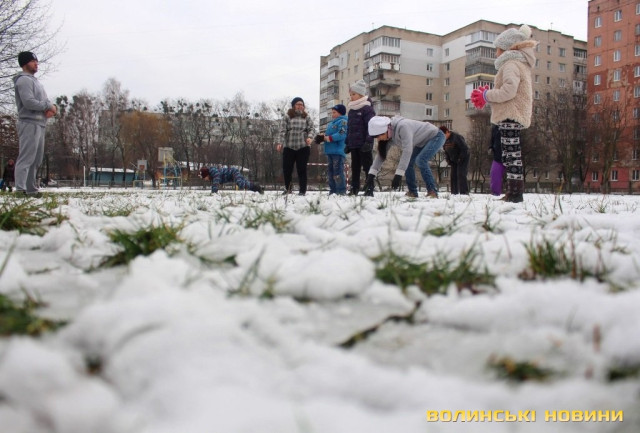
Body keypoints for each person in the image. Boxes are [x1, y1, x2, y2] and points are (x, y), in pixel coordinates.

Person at [471, 25, 537, 203]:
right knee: (510, 154)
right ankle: (514, 192)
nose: (496, 53)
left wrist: (487, 95)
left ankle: (515, 193)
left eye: (498, 48)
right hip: (513, 113)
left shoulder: (511, 64)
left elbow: (509, 91)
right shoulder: (518, 64)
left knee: (511, 154)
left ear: (508, 48)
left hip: (511, 113)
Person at [364, 116, 445, 198]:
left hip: (436, 136)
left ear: (385, 130)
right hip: (421, 142)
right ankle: (412, 192)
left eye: (378, 136)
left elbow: (407, 151)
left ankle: (432, 191)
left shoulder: (403, 126)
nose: (378, 139)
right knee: (408, 163)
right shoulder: (389, 135)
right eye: (376, 137)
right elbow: (380, 156)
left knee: (421, 160)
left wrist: (398, 175)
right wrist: (371, 175)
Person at [13, 51, 57, 197]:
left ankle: (31, 189)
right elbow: (28, 102)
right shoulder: (23, 80)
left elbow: (45, 101)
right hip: (29, 122)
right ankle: (20, 189)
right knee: (26, 157)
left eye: (36, 61)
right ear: (25, 63)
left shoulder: (36, 82)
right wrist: (48, 106)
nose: (36, 64)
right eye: (33, 61)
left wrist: (52, 109)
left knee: (36, 160)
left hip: (40, 123)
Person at [275, 97, 315, 196]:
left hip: (303, 147)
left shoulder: (307, 117)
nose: (300, 106)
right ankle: (288, 188)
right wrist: (280, 143)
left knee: (302, 169)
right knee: (287, 169)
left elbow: (311, 129)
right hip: (289, 146)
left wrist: (310, 137)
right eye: (298, 104)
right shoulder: (287, 117)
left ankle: (302, 190)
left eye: (302, 104)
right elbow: (282, 131)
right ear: (293, 106)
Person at [345, 80, 375, 195]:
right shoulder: (351, 110)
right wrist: (347, 143)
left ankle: (369, 188)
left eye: (354, 94)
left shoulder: (367, 109)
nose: (351, 97)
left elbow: (371, 126)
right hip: (354, 144)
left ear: (361, 94)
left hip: (364, 143)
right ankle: (354, 188)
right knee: (355, 167)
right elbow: (349, 128)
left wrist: (369, 141)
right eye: (350, 95)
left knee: (367, 167)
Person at [315, 104, 347, 195]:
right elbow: (328, 135)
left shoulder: (343, 122)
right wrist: (322, 137)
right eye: (332, 112)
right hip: (330, 151)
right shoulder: (331, 124)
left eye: (334, 112)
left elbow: (342, 133)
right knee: (330, 172)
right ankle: (333, 190)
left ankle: (341, 190)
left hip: (338, 151)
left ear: (340, 113)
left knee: (337, 171)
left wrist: (329, 138)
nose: (332, 114)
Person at [439, 126, 469, 195]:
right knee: (453, 175)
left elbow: (464, 148)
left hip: (463, 157)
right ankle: (454, 192)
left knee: (461, 174)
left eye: (443, 135)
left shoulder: (456, 137)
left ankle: (464, 192)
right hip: (453, 159)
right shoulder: (444, 140)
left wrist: (460, 158)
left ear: (447, 132)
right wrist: (448, 159)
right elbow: (446, 151)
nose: (443, 137)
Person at [199, 166, 264, 194]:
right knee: (244, 183)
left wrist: (213, 192)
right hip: (232, 175)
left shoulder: (214, 172)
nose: (205, 179)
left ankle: (257, 187)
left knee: (240, 184)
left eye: (204, 178)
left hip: (233, 172)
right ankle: (258, 188)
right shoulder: (212, 175)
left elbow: (215, 183)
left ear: (207, 175)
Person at [489, 124, 505, 196]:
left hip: (511, 155)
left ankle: (514, 192)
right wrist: (491, 147)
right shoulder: (495, 127)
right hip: (498, 156)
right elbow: (492, 139)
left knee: (513, 176)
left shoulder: (511, 123)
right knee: (494, 174)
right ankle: (495, 193)